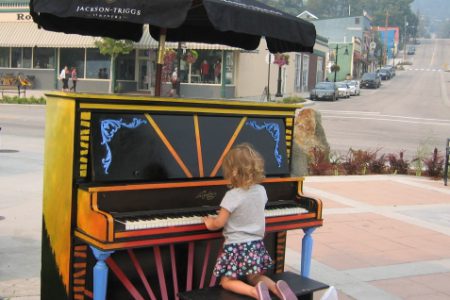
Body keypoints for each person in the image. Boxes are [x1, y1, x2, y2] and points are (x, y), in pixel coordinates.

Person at [203, 143, 297, 300]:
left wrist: (209, 222)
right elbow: (249, 208)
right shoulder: (261, 191)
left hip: (237, 247)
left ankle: (256, 292)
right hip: (256, 244)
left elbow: (218, 223)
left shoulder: (232, 196)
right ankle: (275, 287)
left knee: (226, 282)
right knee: (253, 277)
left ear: (233, 171)